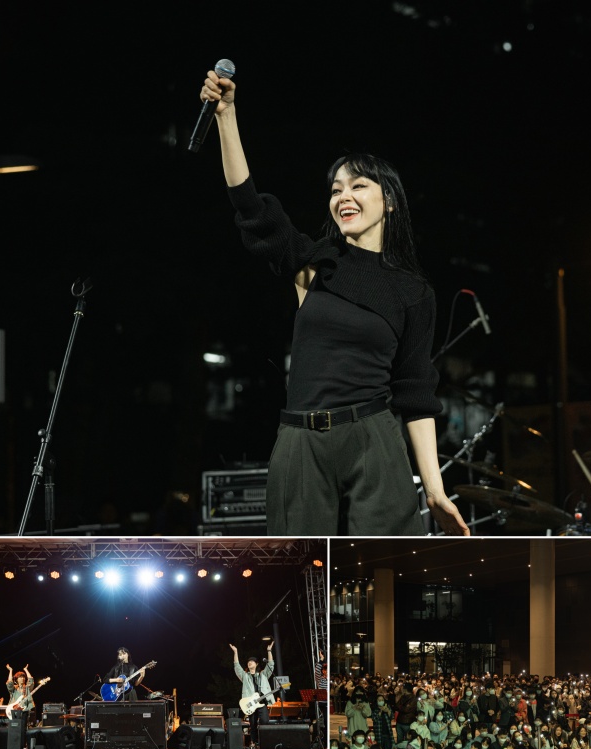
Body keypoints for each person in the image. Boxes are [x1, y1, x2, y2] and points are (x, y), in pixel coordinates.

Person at [200, 68, 469, 536]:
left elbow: (416, 393)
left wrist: (435, 489)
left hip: (374, 436)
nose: (344, 195)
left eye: (358, 185)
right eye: (336, 189)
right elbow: (250, 207)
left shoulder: (414, 291)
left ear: (389, 202)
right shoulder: (315, 264)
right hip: (300, 440)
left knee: (385, 569)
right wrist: (227, 117)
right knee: (295, 567)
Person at [230, 640, 274, 748]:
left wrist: (269, 651)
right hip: (251, 703)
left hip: (262, 703)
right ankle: (254, 743)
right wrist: (235, 652)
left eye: (252, 661)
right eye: (248, 662)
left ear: (257, 664)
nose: (249, 662)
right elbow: (237, 667)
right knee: (253, 725)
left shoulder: (263, 675)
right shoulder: (245, 676)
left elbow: (271, 665)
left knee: (264, 722)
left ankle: (265, 742)